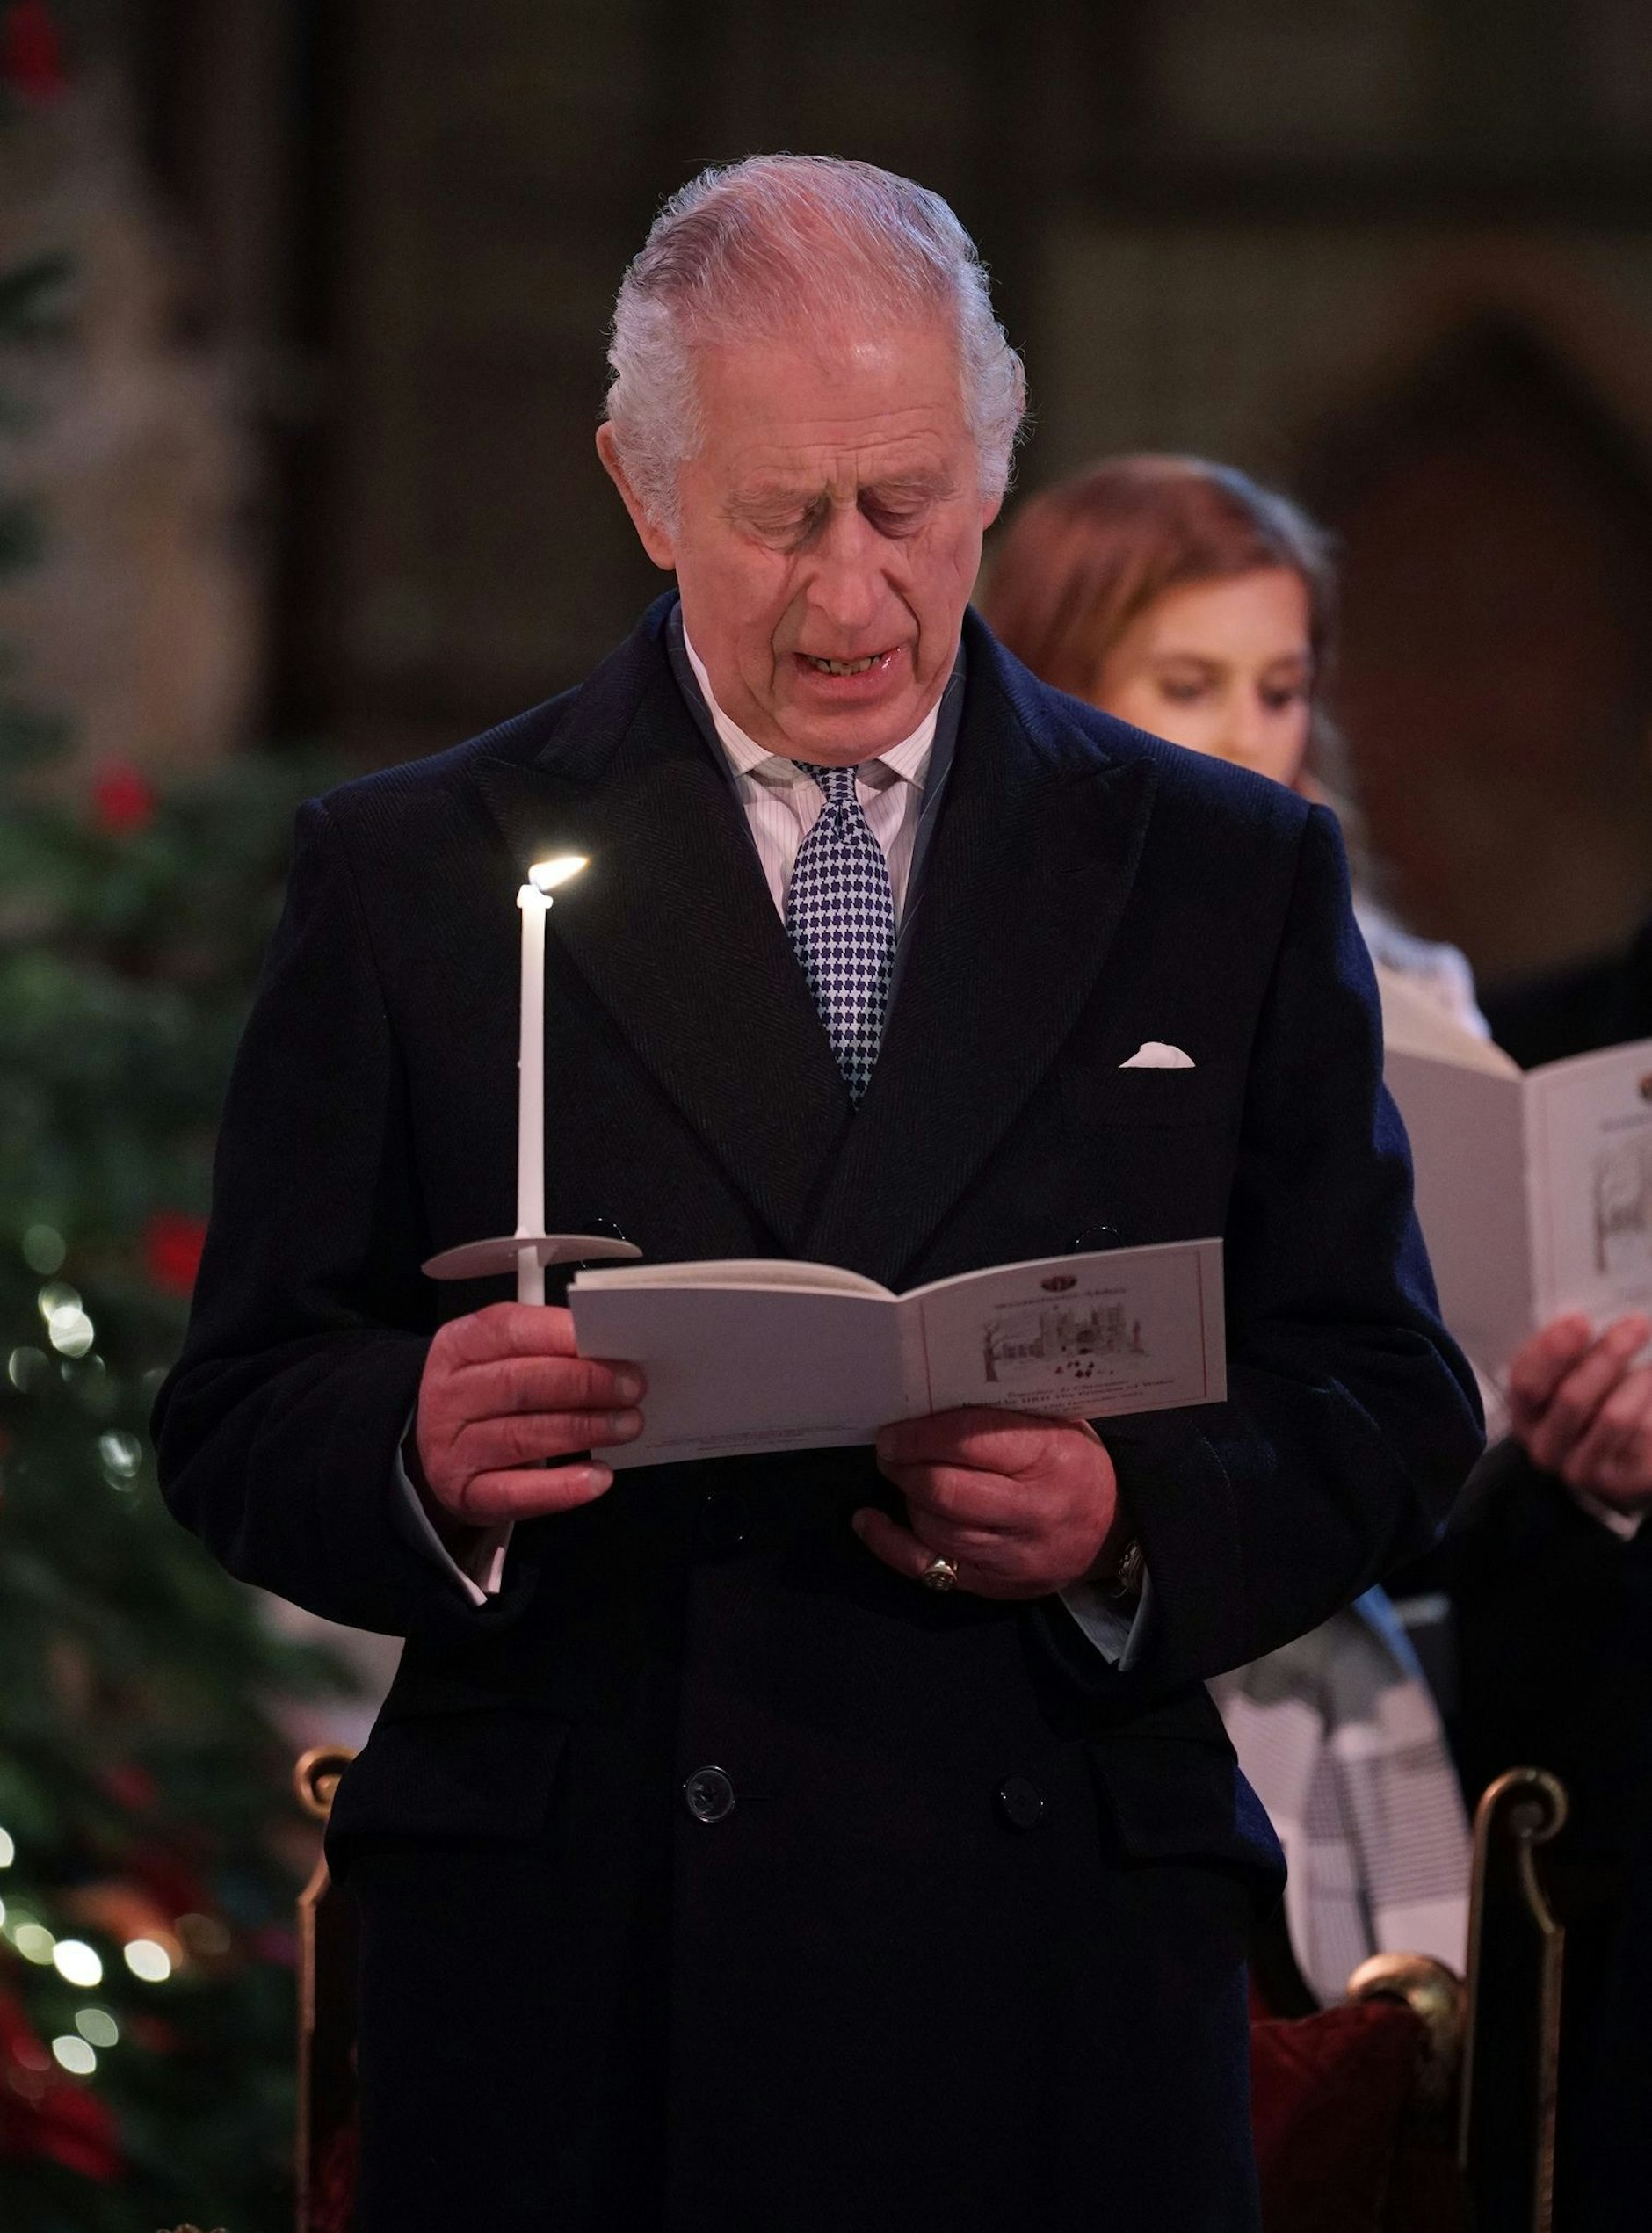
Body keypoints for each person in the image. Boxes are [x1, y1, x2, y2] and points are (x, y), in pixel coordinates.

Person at [153, 160, 1482, 2232]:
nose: (853, 595)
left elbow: (1385, 1400)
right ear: (642, 488)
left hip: (1053, 1960)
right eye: (783, 517)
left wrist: (1130, 1517)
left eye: (906, 504)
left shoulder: (1220, 872)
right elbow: (238, 1408)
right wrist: (412, 1439)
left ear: (996, 462)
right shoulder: (419, 867)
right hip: (585, 1967)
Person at [982, 457, 1479, 2001]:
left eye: (1280, 689)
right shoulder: (983, 960)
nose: (1247, 735)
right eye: (1187, 684)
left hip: (1324, 1609)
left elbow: (1397, 1378)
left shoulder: (1400, 982)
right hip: (1051, 1643)